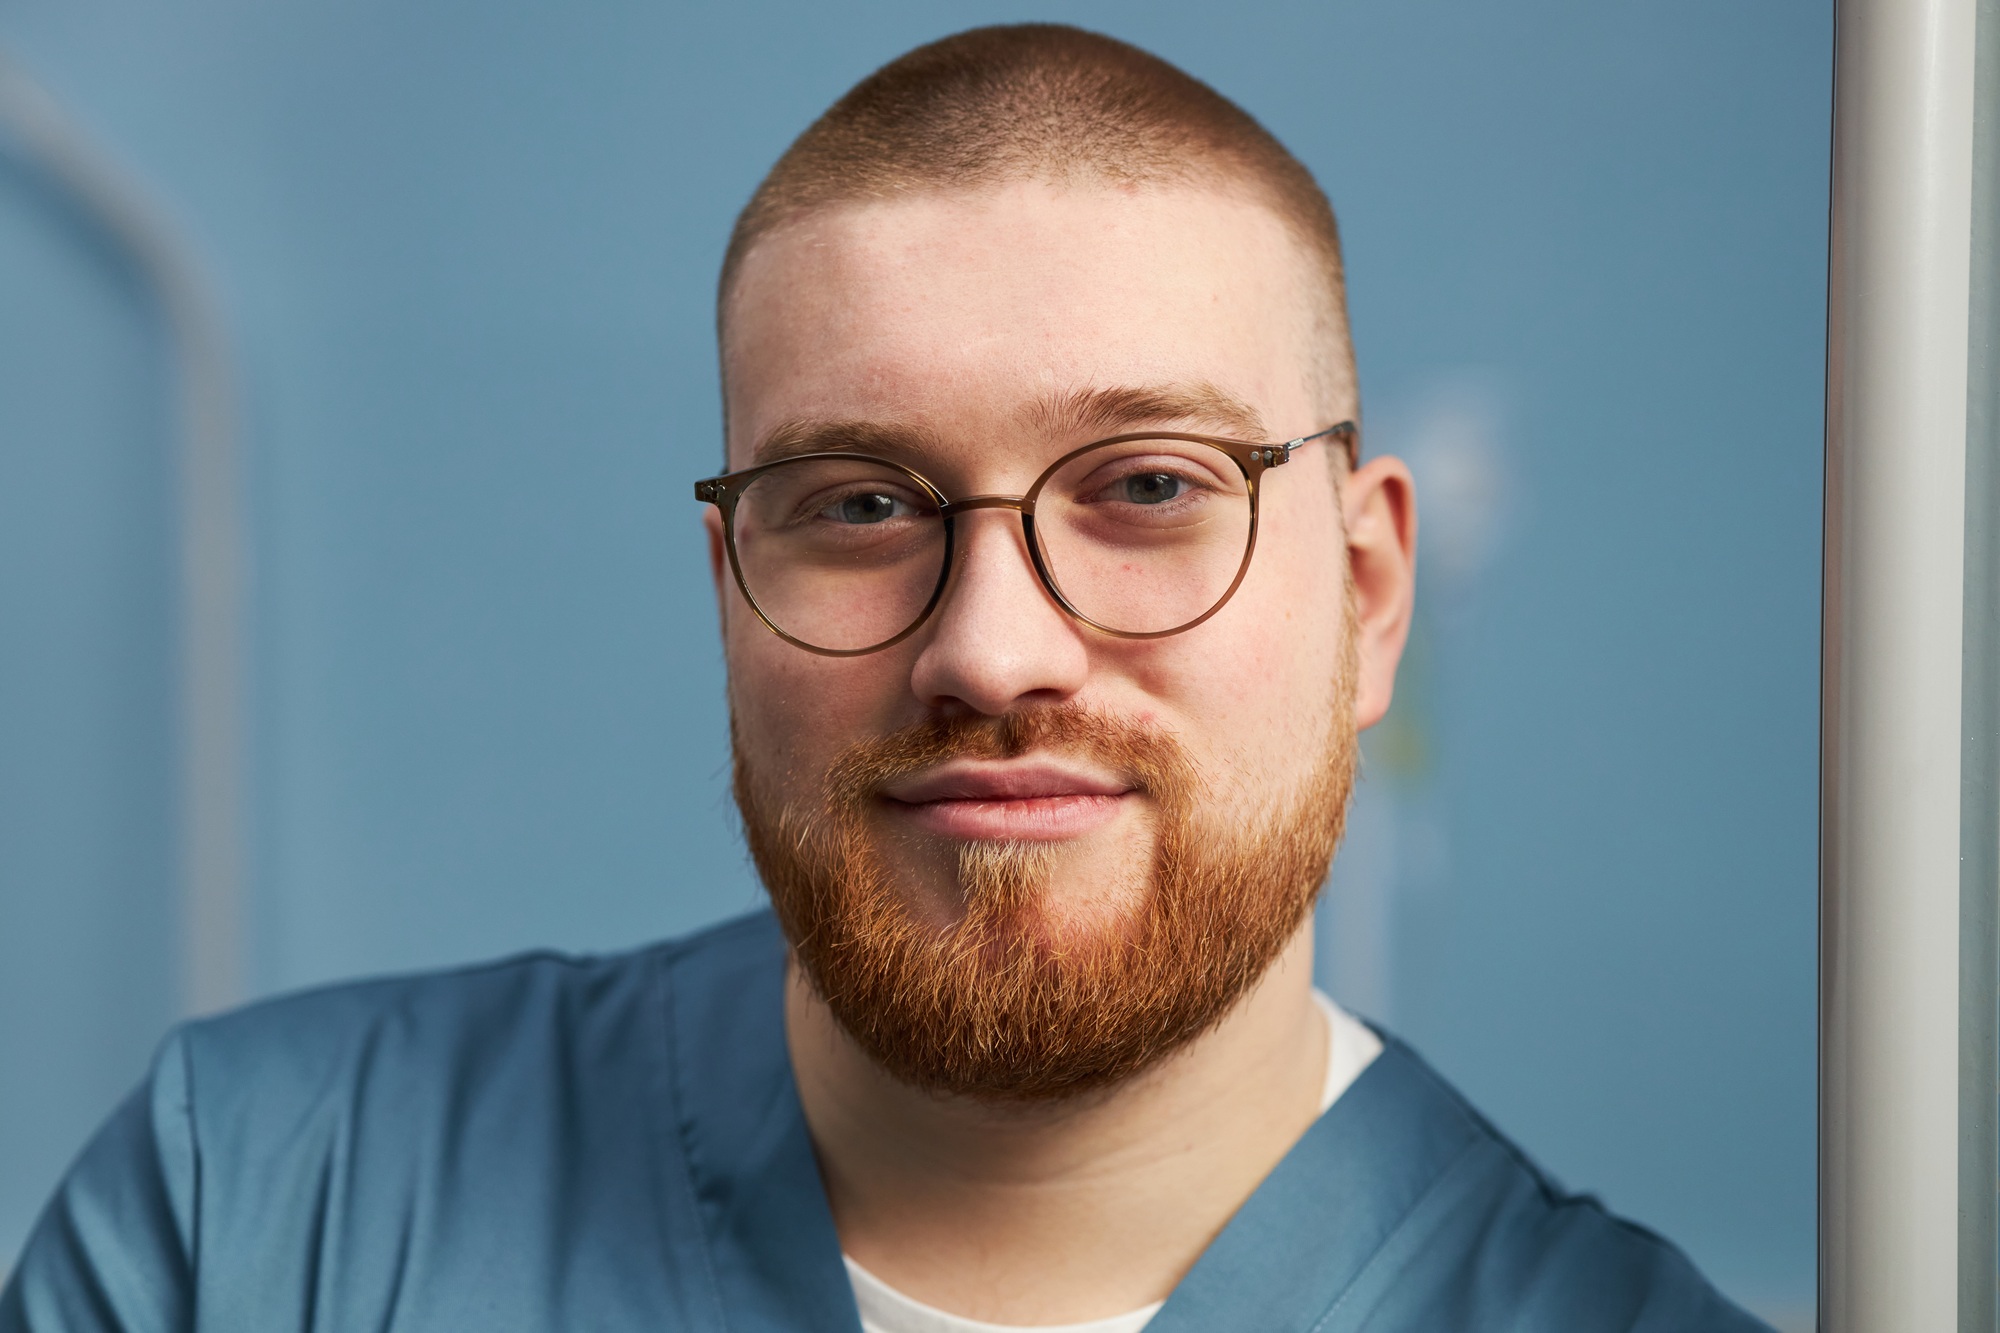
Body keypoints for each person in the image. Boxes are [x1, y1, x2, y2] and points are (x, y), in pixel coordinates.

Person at [2, 24, 1767, 1333]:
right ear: (730, 594)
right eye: (858, 504)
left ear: (1370, 594)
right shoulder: (256, 1221)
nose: (991, 645)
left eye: (1147, 485)